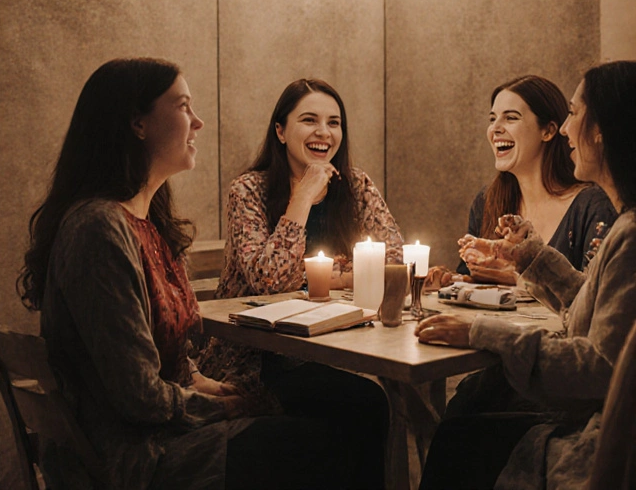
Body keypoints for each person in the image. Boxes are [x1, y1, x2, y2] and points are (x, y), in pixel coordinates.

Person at [18, 59, 366, 490]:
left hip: (158, 434)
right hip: (138, 458)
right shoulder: (99, 228)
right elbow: (139, 398)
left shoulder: (147, 223)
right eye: (183, 107)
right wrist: (236, 408)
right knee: (335, 436)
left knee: (350, 411)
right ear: (137, 124)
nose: (198, 122)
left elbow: (172, 365)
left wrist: (211, 388)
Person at [416, 61, 636, 490]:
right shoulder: (626, 226)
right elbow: (593, 304)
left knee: (457, 439)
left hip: (599, 440)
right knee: (465, 416)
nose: (568, 130)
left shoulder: (626, 232)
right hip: (585, 412)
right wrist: (530, 257)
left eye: (574, 113)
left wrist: (482, 332)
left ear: (601, 130)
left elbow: (600, 368)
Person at [201, 78, 394, 487]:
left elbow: (392, 260)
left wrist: (329, 275)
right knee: (366, 405)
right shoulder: (249, 189)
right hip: (258, 358)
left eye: (334, 122)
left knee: (371, 402)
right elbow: (270, 280)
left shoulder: (355, 186)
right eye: (309, 120)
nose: (324, 133)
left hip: (335, 349)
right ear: (281, 130)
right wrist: (302, 197)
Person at [426, 76, 616, 288]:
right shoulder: (487, 201)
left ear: (549, 131)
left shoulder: (592, 206)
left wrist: (520, 280)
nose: (495, 129)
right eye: (492, 119)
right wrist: (448, 279)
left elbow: (593, 301)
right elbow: (470, 282)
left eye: (511, 118)